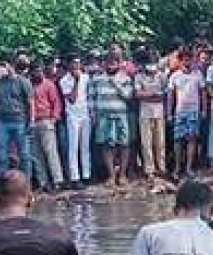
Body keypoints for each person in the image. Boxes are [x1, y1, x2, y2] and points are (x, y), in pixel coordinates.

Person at [90, 54, 133, 189]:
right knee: (106, 146)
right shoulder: (96, 78)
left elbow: (128, 95)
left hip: (121, 114)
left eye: (114, 62)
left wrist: (116, 84)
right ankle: (111, 175)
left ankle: (122, 175)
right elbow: (91, 98)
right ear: (104, 63)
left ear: (119, 63)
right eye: (109, 62)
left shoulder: (125, 77)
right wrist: (93, 116)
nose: (111, 64)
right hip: (103, 115)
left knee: (124, 144)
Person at [0, 59, 34, 178]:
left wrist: (31, 121)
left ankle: (26, 185)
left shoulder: (23, 82)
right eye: (1, 66)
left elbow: (30, 103)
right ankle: (4, 186)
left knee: (24, 155)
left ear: (11, 66)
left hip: (20, 121)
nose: (2, 68)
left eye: (4, 65)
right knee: (2, 156)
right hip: (2, 122)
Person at [29, 64, 65, 193]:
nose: (38, 73)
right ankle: (43, 182)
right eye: (35, 71)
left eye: (40, 71)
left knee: (51, 152)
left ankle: (57, 181)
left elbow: (56, 102)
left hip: (46, 120)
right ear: (31, 72)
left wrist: (54, 119)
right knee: (36, 155)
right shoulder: (28, 85)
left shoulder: (49, 84)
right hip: (32, 122)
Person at [168, 51, 204, 178]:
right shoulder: (174, 76)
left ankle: (189, 168)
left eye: (189, 59)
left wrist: (203, 109)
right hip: (179, 111)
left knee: (191, 138)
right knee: (178, 140)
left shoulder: (198, 74)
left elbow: (202, 93)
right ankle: (177, 167)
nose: (187, 62)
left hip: (194, 110)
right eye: (184, 59)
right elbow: (171, 96)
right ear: (180, 61)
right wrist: (169, 113)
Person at [60, 57, 93, 188]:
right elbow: (72, 99)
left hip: (85, 114)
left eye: (78, 64)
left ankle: (86, 175)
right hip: (72, 116)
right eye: (73, 64)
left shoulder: (86, 77)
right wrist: (76, 81)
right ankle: (75, 177)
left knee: (85, 146)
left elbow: (89, 96)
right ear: (69, 65)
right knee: (73, 147)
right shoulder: (64, 80)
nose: (76, 66)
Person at [134, 58, 167, 183]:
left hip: (159, 112)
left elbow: (164, 94)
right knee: (146, 143)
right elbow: (138, 94)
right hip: (145, 113)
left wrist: (148, 94)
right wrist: (153, 95)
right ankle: (149, 170)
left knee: (160, 142)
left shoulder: (161, 76)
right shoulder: (139, 77)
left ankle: (161, 168)